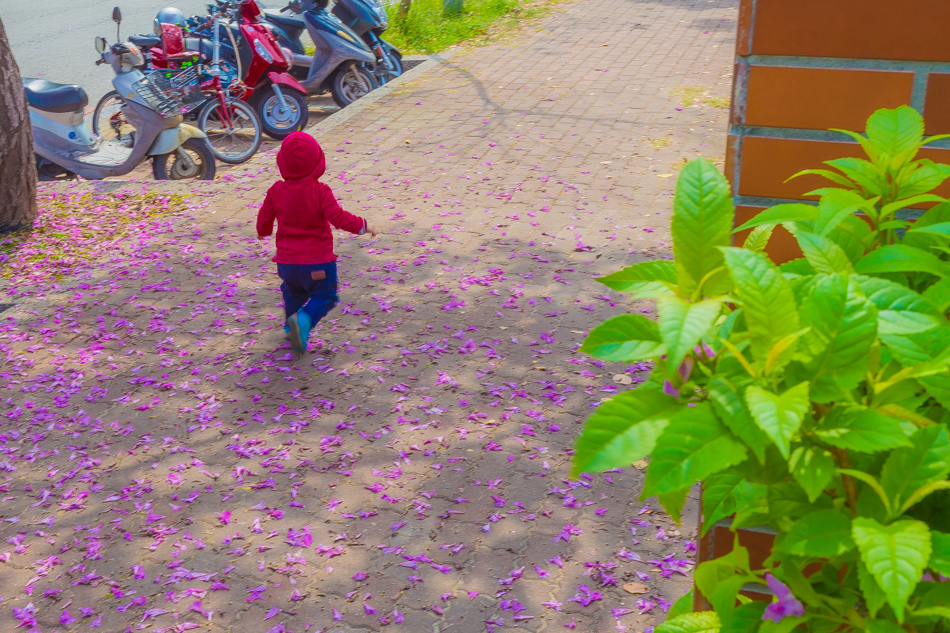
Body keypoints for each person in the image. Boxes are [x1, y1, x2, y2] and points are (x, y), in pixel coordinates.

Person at [257, 131, 379, 358]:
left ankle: (291, 327)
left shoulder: (276, 190)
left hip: (287, 264)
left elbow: (264, 218)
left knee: (293, 294)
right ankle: (302, 322)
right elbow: (339, 218)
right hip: (317, 263)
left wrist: (262, 232)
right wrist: (364, 225)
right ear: (317, 162)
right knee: (326, 295)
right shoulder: (320, 191)